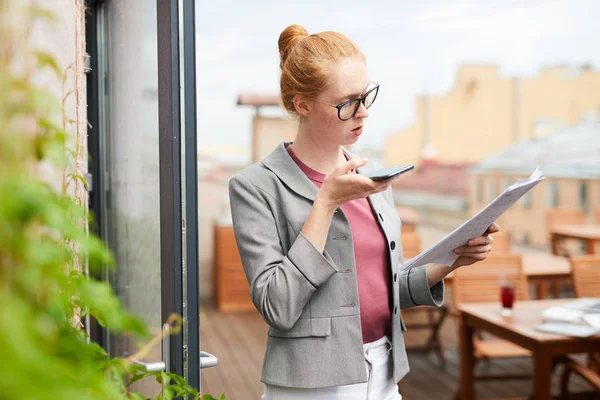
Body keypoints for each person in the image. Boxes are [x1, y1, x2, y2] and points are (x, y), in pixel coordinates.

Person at [228, 24, 499, 400]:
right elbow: (277, 306)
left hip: (384, 376)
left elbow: (388, 289)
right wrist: (325, 202)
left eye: (366, 95)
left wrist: (453, 259)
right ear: (301, 104)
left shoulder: (373, 178)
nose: (363, 113)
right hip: (311, 385)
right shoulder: (256, 186)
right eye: (347, 103)